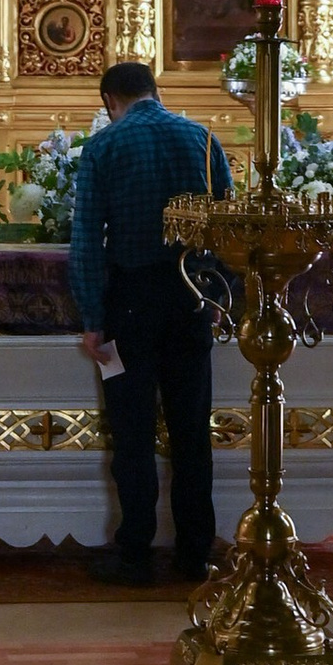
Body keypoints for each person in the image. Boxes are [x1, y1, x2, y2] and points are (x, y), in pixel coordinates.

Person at [69, 60, 233, 584]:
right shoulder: (203, 140)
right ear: (155, 92)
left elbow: (87, 240)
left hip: (129, 304)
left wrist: (93, 317)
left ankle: (135, 553)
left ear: (109, 101)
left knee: (133, 431)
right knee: (191, 431)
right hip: (191, 299)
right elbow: (229, 227)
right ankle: (194, 554)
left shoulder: (104, 146)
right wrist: (216, 292)